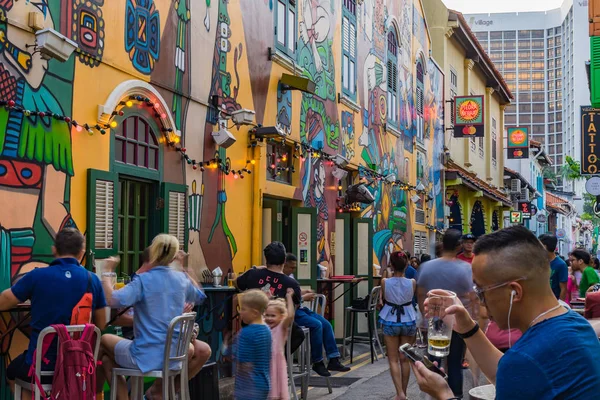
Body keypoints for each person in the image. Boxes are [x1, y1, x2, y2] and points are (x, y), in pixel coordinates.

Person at [411, 225, 600, 400]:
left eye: (481, 290)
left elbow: (517, 369)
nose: (481, 300)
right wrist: (467, 327)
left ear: (515, 292)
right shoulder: (576, 324)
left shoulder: (524, 360)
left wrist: (443, 394)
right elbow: (507, 373)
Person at [99, 234, 206, 400]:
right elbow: (199, 296)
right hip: (173, 358)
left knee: (104, 339)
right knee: (107, 360)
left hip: (144, 357)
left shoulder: (144, 280)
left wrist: (106, 273)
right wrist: (184, 269)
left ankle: (84, 390)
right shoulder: (181, 279)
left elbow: (112, 300)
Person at [2, 228, 107, 397]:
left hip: (41, 366)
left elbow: (4, 301)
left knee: (12, 372)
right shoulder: (92, 279)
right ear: (82, 252)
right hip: (77, 366)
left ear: (54, 250)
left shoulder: (36, 276)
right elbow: (101, 324)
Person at [416, 229, 474, 399]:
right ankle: (455, 396)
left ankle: (433, 393)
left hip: (435, 322)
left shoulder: (427, 267)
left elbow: (420, 294)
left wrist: (425, 315)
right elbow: (472, 298)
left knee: (433, 360)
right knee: (455, 363)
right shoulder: (465, 268)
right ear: (458, 246)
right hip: (457, 323)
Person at [279, 252, 350, 375]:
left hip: (300, 310)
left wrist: (302, 291)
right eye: (291, 267)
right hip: (291, 312)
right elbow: (283, 298)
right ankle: (317, 362)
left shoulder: (290, 277)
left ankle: (333, 359)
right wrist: (303, 297)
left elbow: (293, 292)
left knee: (326, 324)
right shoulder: (280, 279)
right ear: (283, 265)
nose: (293, 270)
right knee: (316, 325)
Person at [379, 251, 416, 400]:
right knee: (404, 359)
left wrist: (387, 271)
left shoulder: (384, 282)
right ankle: (405, 392)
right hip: (408, 319)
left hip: (390, 319)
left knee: (393, 359)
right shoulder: (412, 282)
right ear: (407, 265)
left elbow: (385, 298)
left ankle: (399, 393)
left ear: (391, 265)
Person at [235, 289, 272, 400]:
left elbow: (244, 364)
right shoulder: (267, 329)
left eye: (243, 309)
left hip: (248, 387)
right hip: (264, 382)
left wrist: (227, 349)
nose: (240, 312)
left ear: (255, 312)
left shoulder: (247, 332)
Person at [264, 289, 295, 400]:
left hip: (276, 363)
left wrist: (289, 297)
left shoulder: (281, 327)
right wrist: (267, 299)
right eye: (267, 315)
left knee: (277, 393)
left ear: (281, 316)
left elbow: (290, 316)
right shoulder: (264, 326)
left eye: (273, 316)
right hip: (265, 363)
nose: (269, 318)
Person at [539, 234, 568, 301]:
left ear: (544, 247)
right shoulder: (538, 263)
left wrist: (561, 305)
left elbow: (563, 288)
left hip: (553, 303)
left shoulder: (561, 265)